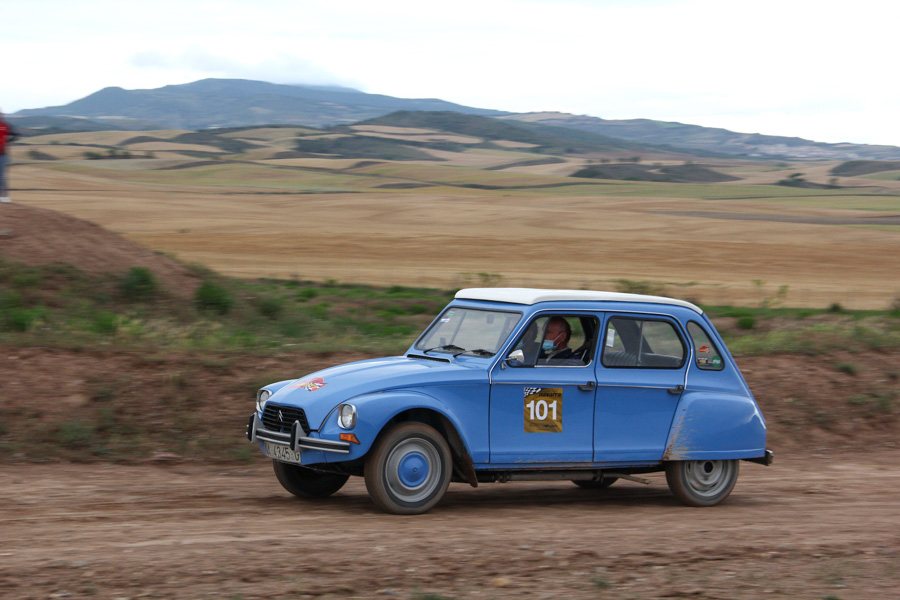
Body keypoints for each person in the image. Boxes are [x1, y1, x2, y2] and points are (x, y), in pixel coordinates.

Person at [0, 110, 19, 202]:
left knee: (2, 175)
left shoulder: (6, 126)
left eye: (1, 115)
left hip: (2, 154)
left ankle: (4, 195)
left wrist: (6, 141)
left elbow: (16, 135)